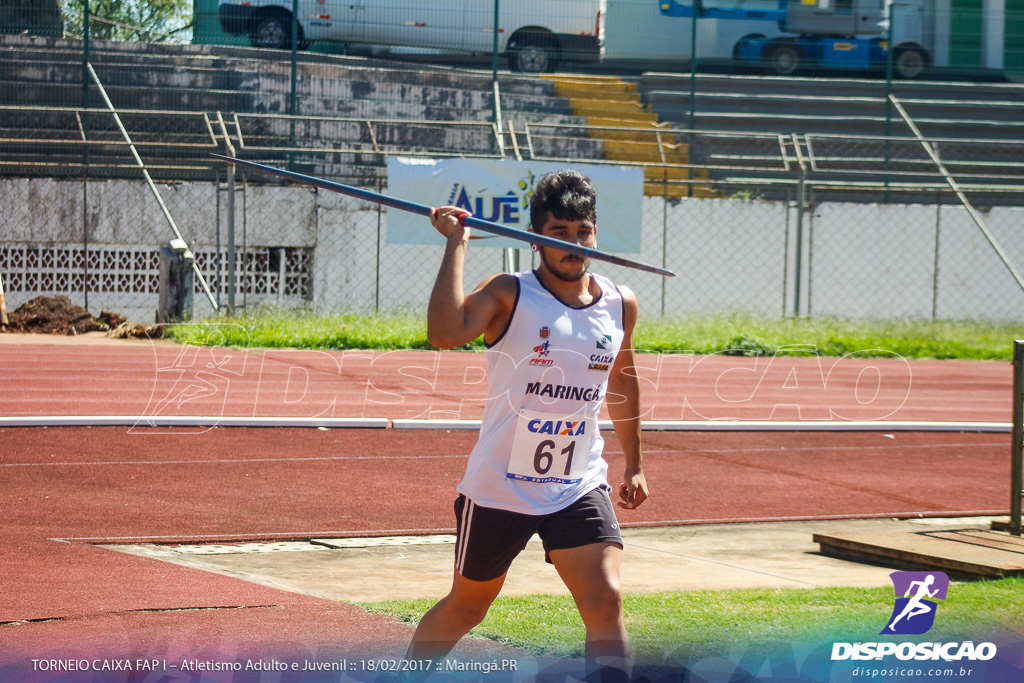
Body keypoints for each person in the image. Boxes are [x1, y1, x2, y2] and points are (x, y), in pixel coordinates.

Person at [400, 169, 649, 682]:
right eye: (559, 233)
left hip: (576, 482)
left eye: (583, 232)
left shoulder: (619, 303)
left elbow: (622, 380)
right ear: (536, 238)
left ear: (596, 234)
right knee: (468, 607)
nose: (574, 244)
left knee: (605, 600)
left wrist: (636, 464)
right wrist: (457, 246)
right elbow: (445, 333)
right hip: (500, 487)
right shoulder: (509, 293)